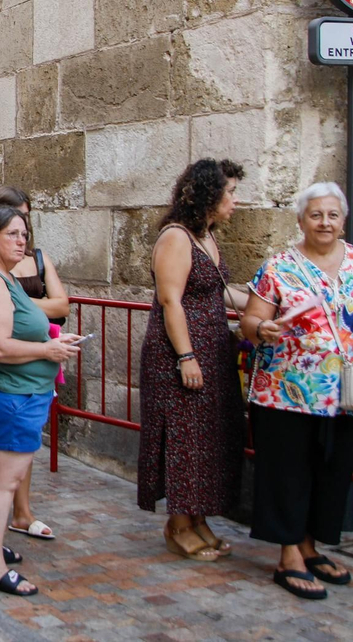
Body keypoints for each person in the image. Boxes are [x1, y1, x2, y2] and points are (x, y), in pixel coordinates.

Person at [241, 182, 353, 601]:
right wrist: (264, 328)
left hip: (347, 394)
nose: (325, 222)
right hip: (287, 390)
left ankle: (310, 546)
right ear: (301, 220)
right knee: (288, 471)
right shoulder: (279, 266)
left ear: (343, 219)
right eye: (316, 215)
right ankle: (289, 556)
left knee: (331, 471)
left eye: (332, 215)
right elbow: (251, 320)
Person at [0, 205, 80, 597]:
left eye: (24, 234)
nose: (21, 240)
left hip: (13, 390)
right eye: (12, 234)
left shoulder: (2, 278)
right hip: (9, 392)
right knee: (4, 480)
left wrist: (49, 343)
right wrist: (48, 351)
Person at [137, 159, 248, 562]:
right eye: (230, 192)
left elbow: (219, 291)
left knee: (208, 439)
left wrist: (263, 301)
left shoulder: (206, 238)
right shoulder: (176, 238)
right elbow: (171, 300)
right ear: (208, 195)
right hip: (178, 353)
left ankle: (199, 518)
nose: (234, 201)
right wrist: (186, 356)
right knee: (184, 437)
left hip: (213, 349)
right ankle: (178, 525)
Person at [0, 186, 69, 542]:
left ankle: (22, 510)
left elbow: (62, 305)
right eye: (15, 220)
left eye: (26, 219)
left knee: (28, 438)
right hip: (7, 363)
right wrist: (32, 307)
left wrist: (19, 308)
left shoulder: (37, 257)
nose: (23, 230)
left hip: (39, 357)